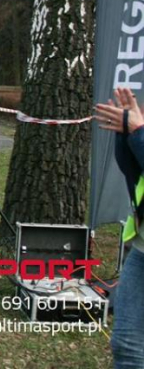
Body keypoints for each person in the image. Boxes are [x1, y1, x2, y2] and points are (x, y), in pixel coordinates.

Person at [95, 87, 144, 368]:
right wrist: (125, 134)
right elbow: (132, 170)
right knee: (126, 343)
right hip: (141, 252)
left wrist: (138, 132)